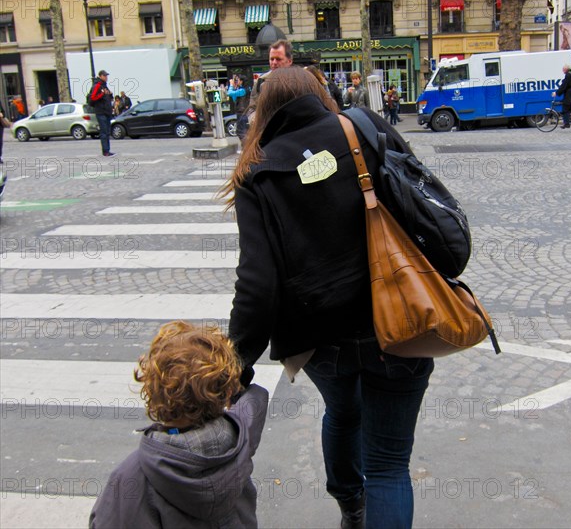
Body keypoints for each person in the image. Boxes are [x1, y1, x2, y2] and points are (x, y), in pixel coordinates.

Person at [221, 66, 433, 529]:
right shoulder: (363, 126)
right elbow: (419, 197)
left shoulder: (256, 170)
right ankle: (362, 501)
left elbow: (257, 284)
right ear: (321, 95)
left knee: (342, 411)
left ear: (263, 112)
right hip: (399, 319)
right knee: (389, 465)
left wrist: (236, 364)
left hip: (320, 340)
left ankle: (350, 507)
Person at [89, 320, 268, 529]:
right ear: (226, 392)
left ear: (153, 393)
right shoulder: (240, 437)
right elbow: (255, 399)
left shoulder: (133, 477)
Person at [238, 39, 294, 140]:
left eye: (278, 59)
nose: (274, 62)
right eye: (271, 59)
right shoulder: (261, 81)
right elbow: (252, 108)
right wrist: (256, 120)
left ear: (289, 61)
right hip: (268, 137)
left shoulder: (300, 81)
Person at [90, 70, 115, 157]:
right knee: (104, 132)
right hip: (101, 111)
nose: (106, 77)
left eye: (106, 76)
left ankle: (107, 150)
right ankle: (105, 151)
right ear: (100, 76)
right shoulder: (97, 86)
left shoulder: (105, 86)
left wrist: (110, 95)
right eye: (104, 76)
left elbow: (108, 98)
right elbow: (93, 98)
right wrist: (101, 94)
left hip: (107, 111)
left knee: (107, 131)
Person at [552, 64, 571, 129]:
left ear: (565, 69)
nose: (562, 71)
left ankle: (566, 123)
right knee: (567, 106)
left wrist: (556, 93)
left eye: (563, 69)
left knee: (565, 108)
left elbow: (564, 86)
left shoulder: (568, 75)